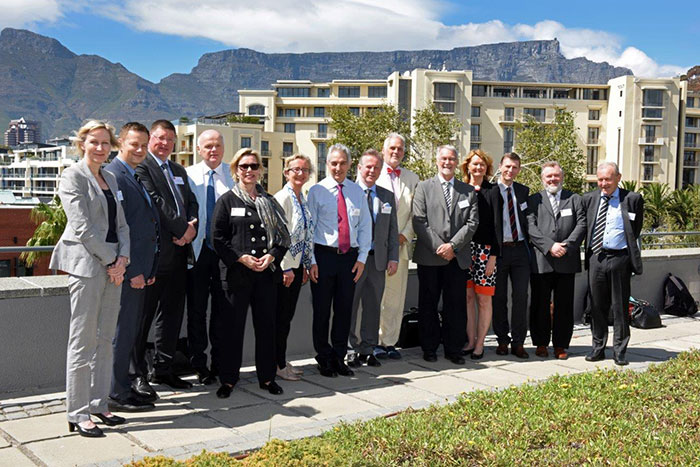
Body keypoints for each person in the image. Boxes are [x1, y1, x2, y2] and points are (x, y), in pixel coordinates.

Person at [50, 120, 129, 437]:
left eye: (105, 142)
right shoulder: (72, 176)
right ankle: (78, 411)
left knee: (105, 339)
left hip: (114, 266)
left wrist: (123, 258)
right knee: (82, 341)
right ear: (82, 143)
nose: (100, 147)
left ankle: (99, 404)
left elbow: (122, 224)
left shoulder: (110, 176)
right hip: (87, 265)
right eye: (94, 142)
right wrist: (112, 260)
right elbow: (82, 227)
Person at [212, 148, 290, 397]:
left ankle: (267, 378)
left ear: (260, 170)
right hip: (237, 276)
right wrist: (240, 258)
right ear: (235, 170)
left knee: (266, 328)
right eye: (244, 166)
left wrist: (271, 257)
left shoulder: (269, 201)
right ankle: (228, 379)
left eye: (254, 166)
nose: (249, 171)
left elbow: (283, 238)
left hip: (265, 276)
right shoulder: (226, 200)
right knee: (232, 329)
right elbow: (217, 238)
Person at [133, 120, 198, 394]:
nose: (165, 144)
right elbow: (155, 202)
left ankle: (164, 368)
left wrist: (191, 228)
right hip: (155, 258)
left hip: (180, 255)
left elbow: (191, 202)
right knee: (143, 317)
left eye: (170, 140)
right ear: (150, 139)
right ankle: (137, 374)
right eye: (160, 138)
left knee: (172, 315)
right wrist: (182, 229)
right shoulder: (141, 167)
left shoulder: (178, 170)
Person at [105, 122, 159, 412]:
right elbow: (119, 230)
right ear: (121, 143)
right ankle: (116, 392)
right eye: (133, 144)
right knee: (121, 332)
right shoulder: (114, 175)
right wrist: (136, 269)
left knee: (129, 332)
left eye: (143, 145)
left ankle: (123, 385)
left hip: (140, 270)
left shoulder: (133, 175)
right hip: (127, 272)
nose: (139, 150)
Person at [307, 143, 372, 377]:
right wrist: (311, 261)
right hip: (323, 257)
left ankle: (338, 357)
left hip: (349, 259)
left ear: (350, 165)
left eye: (342, 163)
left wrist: (362, 259)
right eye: (333, 163)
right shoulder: (316, 191)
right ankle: (323, 358)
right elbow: (309, 228)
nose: (338, 167)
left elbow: (365, 227)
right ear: (327, 164)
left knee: (345, 311)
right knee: (322, 312)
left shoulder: (357, 192)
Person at [412, 145, 478, 364]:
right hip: (430, 256)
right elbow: (419, 221)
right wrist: (440, 246)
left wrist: (453, 246)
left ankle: (453, 349)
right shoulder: (423, 187)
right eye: (443, 158)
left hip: (457, 258)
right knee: (428, 304)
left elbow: (472, 223)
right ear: (437, 160)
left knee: (456, 305)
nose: (447, 162)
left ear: (457, 161)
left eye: (451, 158)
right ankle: (429, 348)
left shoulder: (467, 190)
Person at [185, 129, 235, 385]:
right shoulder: (188, 175)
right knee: (196, 310)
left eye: (217, 145)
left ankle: (219, 363)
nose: (213, 150)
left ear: (223, 147)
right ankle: (199, 363)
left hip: (224, 253)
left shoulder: (232, 174)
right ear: (199, 149)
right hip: (197, 251)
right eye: (208, 146)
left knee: (222, 310)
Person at [583, 161, 644, 366]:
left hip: (620, 259)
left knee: (619, 307)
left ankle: (619, 351)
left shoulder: (633, 199)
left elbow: (635, 229)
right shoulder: (589, 199)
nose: (603, 183)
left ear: (618, 178)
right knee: (597, 306)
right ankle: (598, 347)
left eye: (608, 179)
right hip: (596, 258)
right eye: (600, 179)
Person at [527, 162, 586, 360]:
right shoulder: (534, 200)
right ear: (543, 179)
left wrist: (566, 245)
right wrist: (550, 246)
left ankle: (561, 345)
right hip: (542, 260)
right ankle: (541, 343)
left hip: (566, 260)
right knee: (539, 304)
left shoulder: (575, 199)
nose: (553, 179)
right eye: (548, 176)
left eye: (556, 176)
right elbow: (531, 227)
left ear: (562, 177)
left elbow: (582, 224)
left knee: (564, 305)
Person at [348, 149, 399, 368]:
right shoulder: (349, 193)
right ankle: (350, 349)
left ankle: (367, 350)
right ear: (359, 168)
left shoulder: (386, 196)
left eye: (376, 167)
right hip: (354, 261)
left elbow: (392, 229)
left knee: (372, 306)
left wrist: (393, 257)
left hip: (378, 261)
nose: (372, 171)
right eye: (368, 166)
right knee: (350, 306)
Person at [374, 133, 420, 360]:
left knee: (395, 297)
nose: (396, 152)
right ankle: (371, 341)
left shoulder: (413, 178)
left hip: (401, 247)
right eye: (392, 148)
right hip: (375, 249)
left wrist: (405, 235)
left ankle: (389, 342)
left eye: (400, 149)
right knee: (373, 297)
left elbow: (417, 214)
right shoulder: (372, 173)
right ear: (383, 150)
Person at [273, 154, 314, 381]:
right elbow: (279, 237)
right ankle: (277, 364)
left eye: (305, 170)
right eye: (296, 169)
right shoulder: (283, 198)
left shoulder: (301, 198)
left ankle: (280, 359)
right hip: (285, 269)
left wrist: (305, 264)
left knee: (286, 317)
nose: (300, 173)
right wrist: (286, 268)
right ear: (286, 172)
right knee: (280, 317)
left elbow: (305, 234)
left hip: (297, 267)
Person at [459, 149, 499, 360]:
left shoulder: (493, 191)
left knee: (483, 300)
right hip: (464, 250)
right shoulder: (461, 189)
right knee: (467, 297)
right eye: (474, 164)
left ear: (486, 168)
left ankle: (480, 344)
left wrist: (493, 256)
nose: (478, 167)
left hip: (485, 252)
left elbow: (497, 227)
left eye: (482, 164)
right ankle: (471, 340)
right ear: (467, 166)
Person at [490, 152, 531, 359]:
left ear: (519, 170)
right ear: (500, 166)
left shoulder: (524, 191)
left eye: (514, 167)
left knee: (521, 297)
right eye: (507, 166)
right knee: (499, 298)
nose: (510, 171)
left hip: (520, 251)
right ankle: (502, 340)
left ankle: (519, 342)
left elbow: (528, 221)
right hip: (499, 251)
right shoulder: (491, 191)